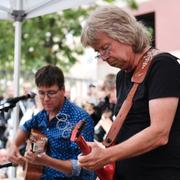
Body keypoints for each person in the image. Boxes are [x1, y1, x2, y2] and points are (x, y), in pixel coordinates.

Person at [78, 5, 180, 180]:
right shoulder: (122, 76)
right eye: (98, 52)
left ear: (124, 33)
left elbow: (159, 133)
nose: (103, 57)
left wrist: (106, 156)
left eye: (105, 47)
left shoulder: (162, 65)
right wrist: (102, 150)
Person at [8, 64, 95, 180]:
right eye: (41, 93)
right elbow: (25, 127)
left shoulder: (80, 119)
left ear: (63, 90)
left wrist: (46, 161)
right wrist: (14, 145)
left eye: (51, 93)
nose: (46, 99)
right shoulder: (43, 115)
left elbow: (80, 166)